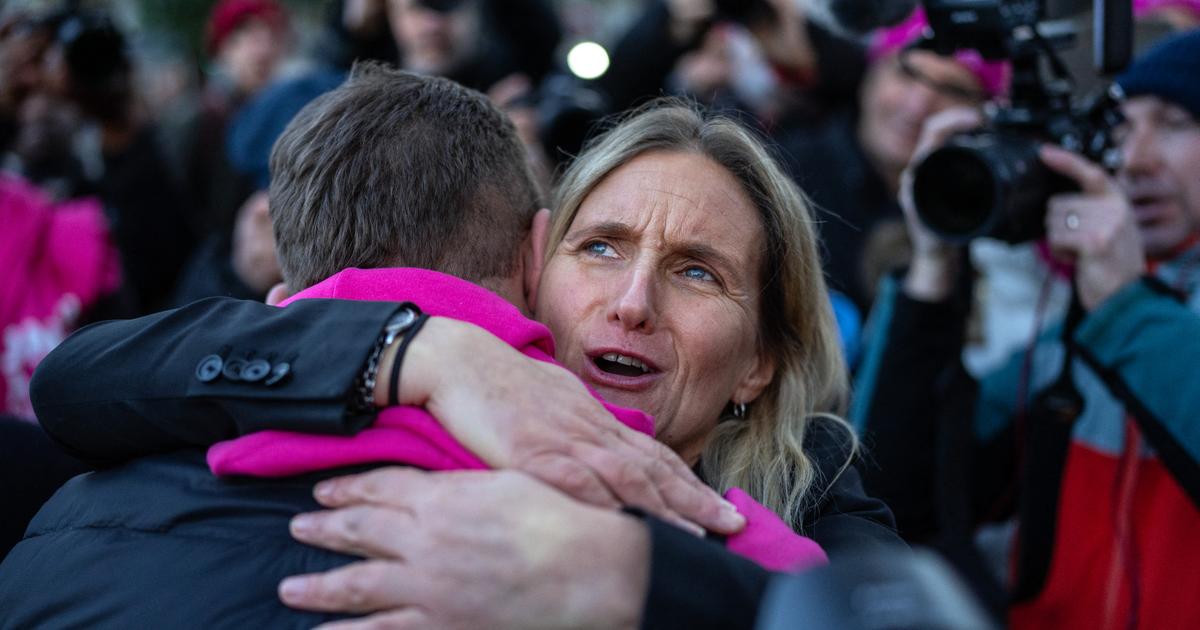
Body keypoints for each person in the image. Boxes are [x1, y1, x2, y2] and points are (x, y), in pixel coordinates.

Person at [19, 88, 901, 629]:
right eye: (600, 247)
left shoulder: (817, 486)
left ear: (758, 364)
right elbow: (73, 381)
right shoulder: (400, 375)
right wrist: (413, 348)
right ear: (532, 267)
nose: (632, 302)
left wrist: (639, 579)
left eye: (697, 272)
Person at [852, 30, 1200, 628]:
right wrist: (932, 270)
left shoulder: (1117, 317)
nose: (1136, 159)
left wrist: (1124, 307)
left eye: (1172, 124)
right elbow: (893, 497)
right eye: (1118, 128)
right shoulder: (1075, 335)